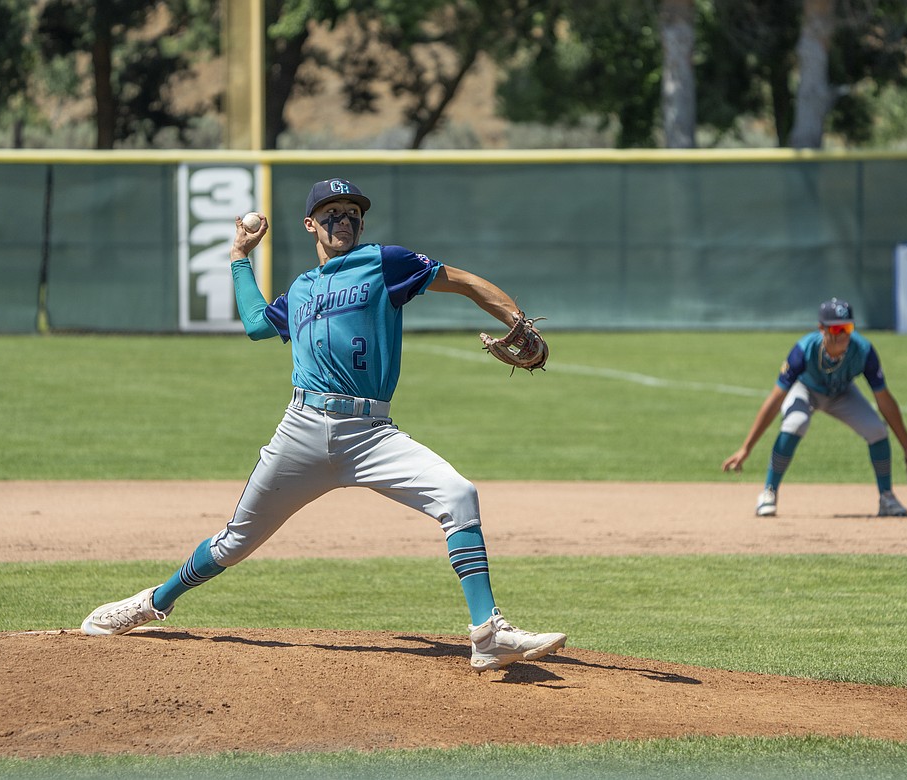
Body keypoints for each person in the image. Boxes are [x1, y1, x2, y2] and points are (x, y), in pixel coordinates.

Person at [81, 178, 566, 671]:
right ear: (311, 224)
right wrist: (238, 256)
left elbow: (462, 280)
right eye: (331, 213)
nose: (344, 221)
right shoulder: (302, 288)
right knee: (233, 543)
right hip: (303, 431)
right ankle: (153, 602)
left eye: (352, 213)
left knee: (459, 494)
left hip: (372, 434)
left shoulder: (385, 262)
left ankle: (488, 634)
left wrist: (517, 320)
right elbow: (255, 324)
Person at [721, 298, 907, 518]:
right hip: (806, 389)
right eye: (836, 328)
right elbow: (775, 399)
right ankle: (769, 492)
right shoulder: (804, 350)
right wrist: (746, 447)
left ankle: (887, 498)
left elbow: (884, 400)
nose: (843, 334)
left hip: (842, 393)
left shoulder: (863, 351)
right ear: (822, 329)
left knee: (877, 430)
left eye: (847, 327)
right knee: (796, 422)